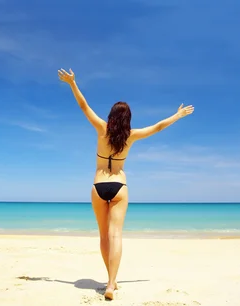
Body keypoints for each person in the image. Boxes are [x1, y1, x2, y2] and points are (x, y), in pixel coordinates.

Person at [58, 68, 194, 300]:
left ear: (111, 116)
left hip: (98, 185)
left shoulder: (102, 129)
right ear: (128, 120)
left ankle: (111, 279)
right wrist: (177, 115)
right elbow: (158, 127)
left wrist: (72, 83)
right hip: (120, 186)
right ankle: (111, 283)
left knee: (103, 236)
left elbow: (84, 107)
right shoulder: (131, 135)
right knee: (116, 236)